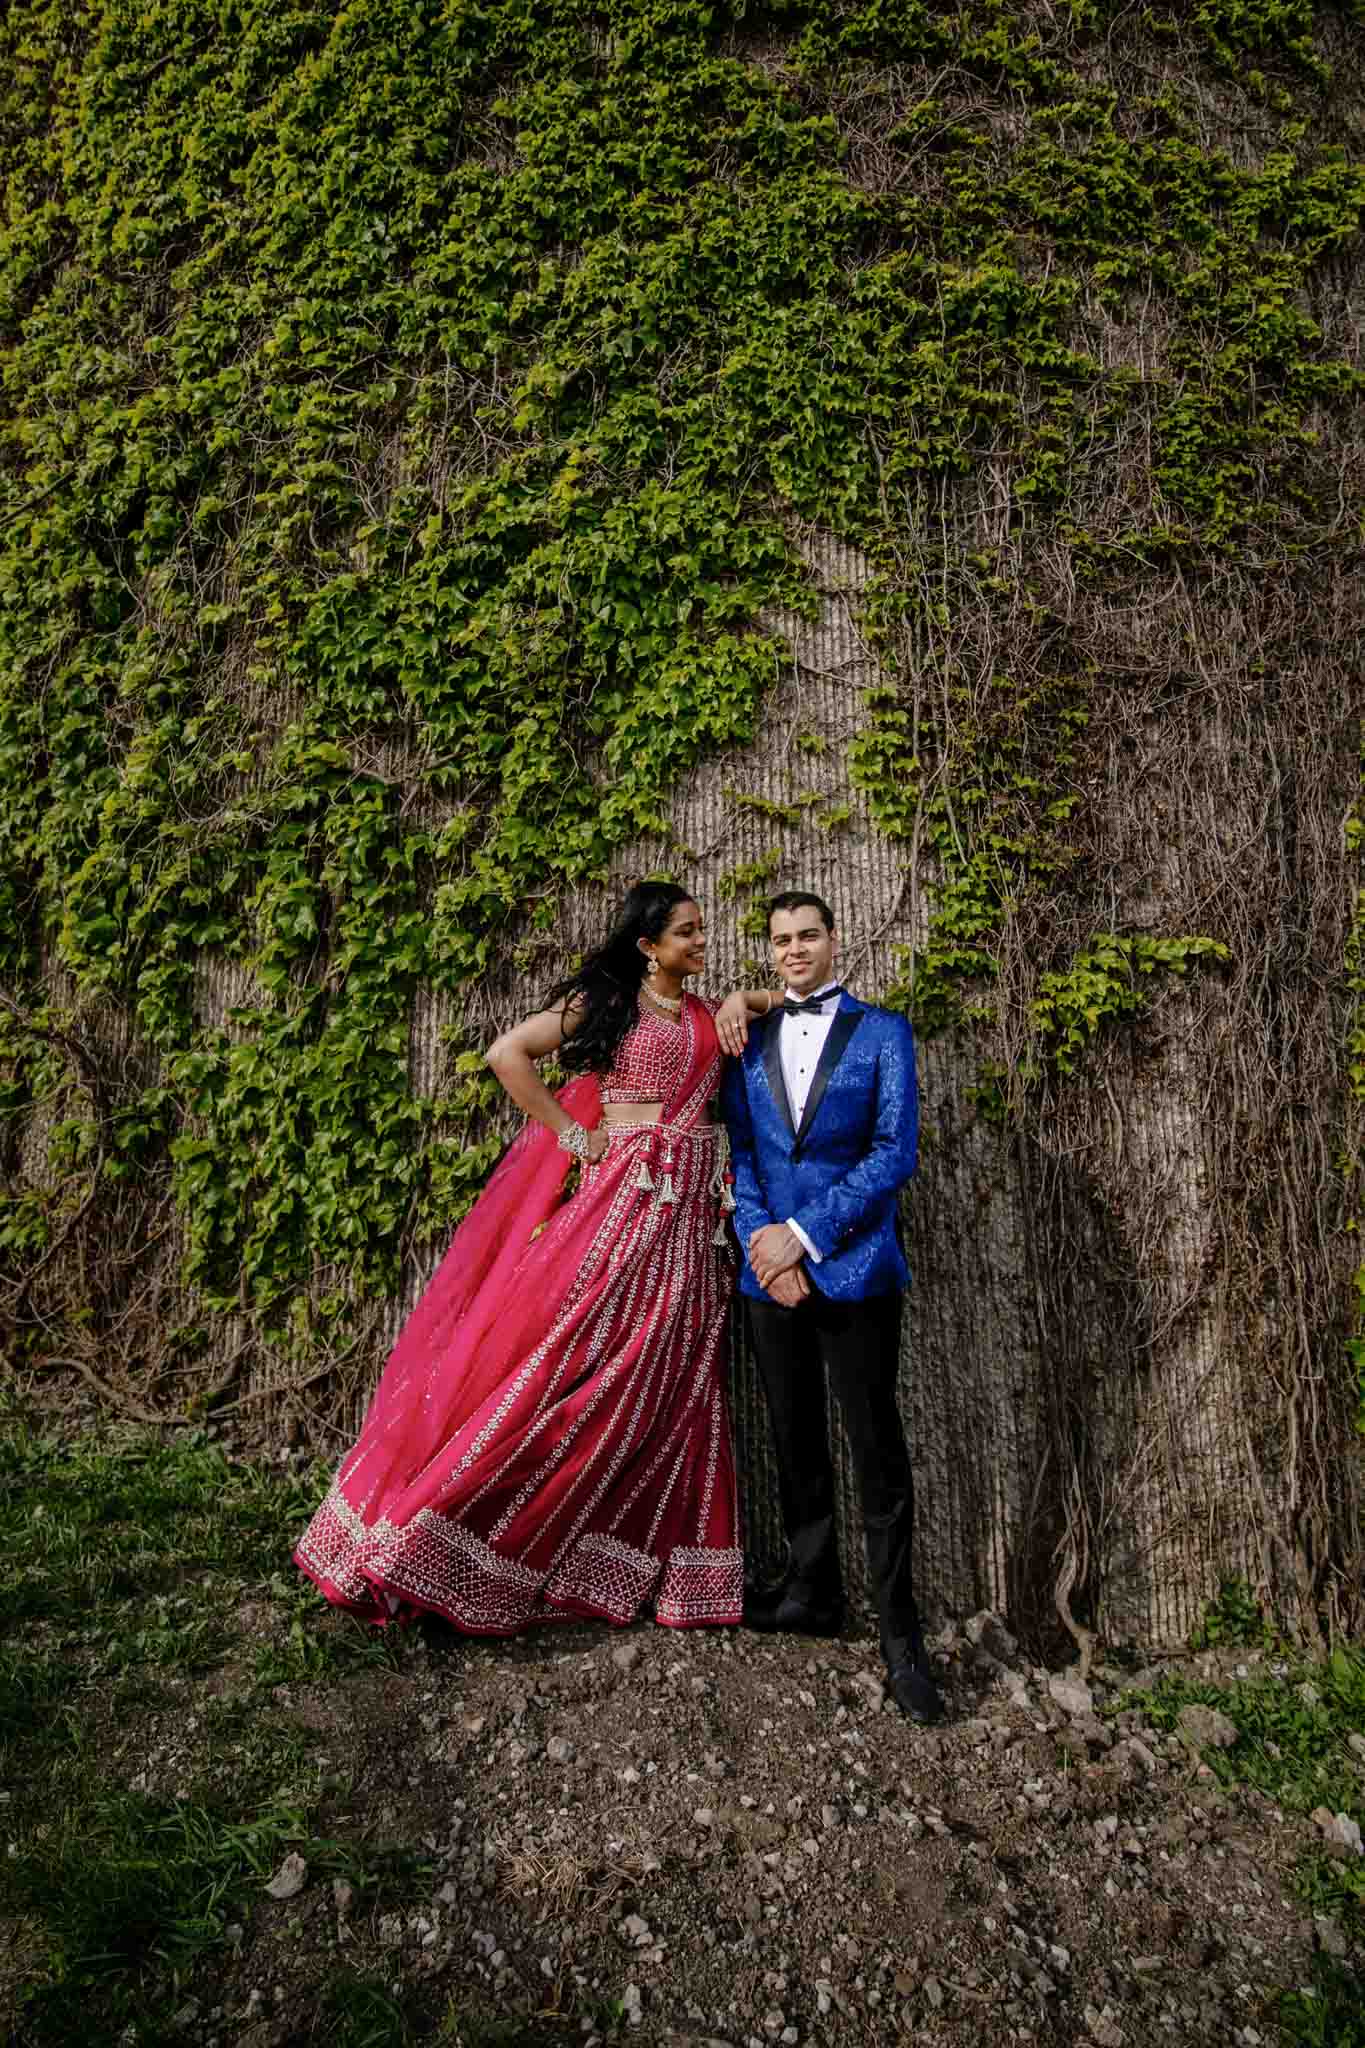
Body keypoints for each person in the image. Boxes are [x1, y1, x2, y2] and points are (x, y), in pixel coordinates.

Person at [295, 883, 771, 1635]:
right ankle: (438, 1533)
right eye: (686, 932)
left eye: (701, 929)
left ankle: (623, 1562)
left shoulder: (709, 1013)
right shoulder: (609, 1002)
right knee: (579, 1361)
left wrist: (746, 995)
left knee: (671, 1377)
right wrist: (576, 1137)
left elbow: (782, 1001)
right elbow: (506, 1054)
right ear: (648, 946)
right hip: (627, 1205)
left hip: (692, 1223)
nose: (701, 941)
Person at [717, 889, 944, 1723]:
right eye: (781, 940)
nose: (794, 950)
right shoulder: (744, 1041)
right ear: (770, 950)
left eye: (807, 935)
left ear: (834, 940)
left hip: (854, 1270)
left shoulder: (884, 1033)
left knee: (875, 1451)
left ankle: (899, 1636)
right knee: (794, 1441)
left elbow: (893, 1153)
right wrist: (760, 1243)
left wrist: (802, 1236)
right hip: (767, 1279)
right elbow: (742, 1151)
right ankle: (810, 1595)